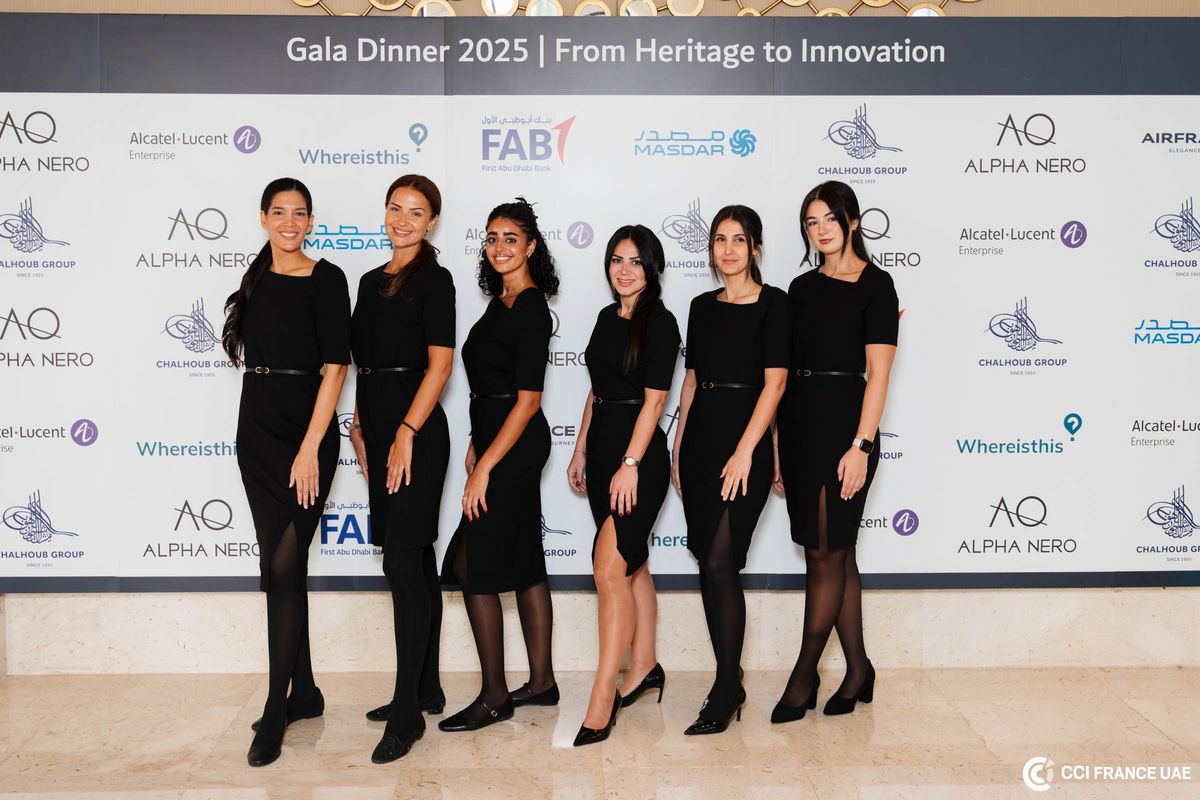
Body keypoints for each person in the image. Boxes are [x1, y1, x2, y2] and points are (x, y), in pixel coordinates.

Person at [222, 178, 350, 767]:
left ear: (311, 221)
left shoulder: (328, 279)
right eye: (279, 212)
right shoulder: (256, 279)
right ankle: (307, 693)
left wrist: (311, 446)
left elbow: (335, 369)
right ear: (263, 218)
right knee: (279, 566)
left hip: (306, 437)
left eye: (300, 214)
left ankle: (278, 705)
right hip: (257, 434)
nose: (290, 223)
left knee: (282, 565)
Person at [772, 180, 898, 723]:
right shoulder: (799, 288)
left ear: (852, 221)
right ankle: (859, 669)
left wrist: (861, 445)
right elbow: (782, 373)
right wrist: (778, 444)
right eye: (811, 222)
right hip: (799, 427)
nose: (820, 230)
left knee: (826, 556)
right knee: (837, 553)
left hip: (846, 429)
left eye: (829, 219)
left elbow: (879, 375)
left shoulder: (877, 285)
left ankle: (803, 676)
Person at [438, 198, 559, 733]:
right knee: (525, 558)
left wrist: (485, 464)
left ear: (531, 246)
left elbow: (528, 400)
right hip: (494, 439)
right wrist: (476, 442)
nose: (500, 247)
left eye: (511, 238)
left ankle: (494, 696)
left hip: (515, 445)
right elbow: (490, 384)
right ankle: (542, 682)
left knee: (473, 566)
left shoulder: (530, 307)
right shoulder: (500, 302)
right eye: (492, 238)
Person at [347, 175, 454, 763]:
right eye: (396, 208)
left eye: (416, 212)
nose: (403, 220)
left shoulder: (436, 280)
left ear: (432, 221)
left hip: (417, 432)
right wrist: (360, 429)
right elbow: (363, 364)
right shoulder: (368, 282)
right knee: (415, 561)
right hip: (379, 426)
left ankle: (407, 713)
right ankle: (425, 686)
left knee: (402, 562)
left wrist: (406, 432)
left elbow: (440, 366)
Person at [672, 205, 789, 735]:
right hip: (700, 441)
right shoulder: (701, 306)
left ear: (755, 247)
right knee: (707, 562)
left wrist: (748, 451)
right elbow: (692, 379)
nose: (728, 249)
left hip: (746, 442)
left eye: (739, 239)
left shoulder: (775, 303)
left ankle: (725, 686)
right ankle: (728, 676)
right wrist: (678, 444)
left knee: (722, 559)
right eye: (720, 239)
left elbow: (776, 384)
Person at [566, 225, 680, 746]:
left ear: (652, 268)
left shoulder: (662, 323)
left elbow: (655, 402)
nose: (625, 269)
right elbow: (598, 391)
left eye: (636, 261)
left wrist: (630, 462)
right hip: (603, 451)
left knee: (609, 570)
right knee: (633, 564)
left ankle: (602, 695)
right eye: (617, 259)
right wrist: (580, 448)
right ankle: (647, 664)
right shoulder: (604, 318)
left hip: (639, 458)